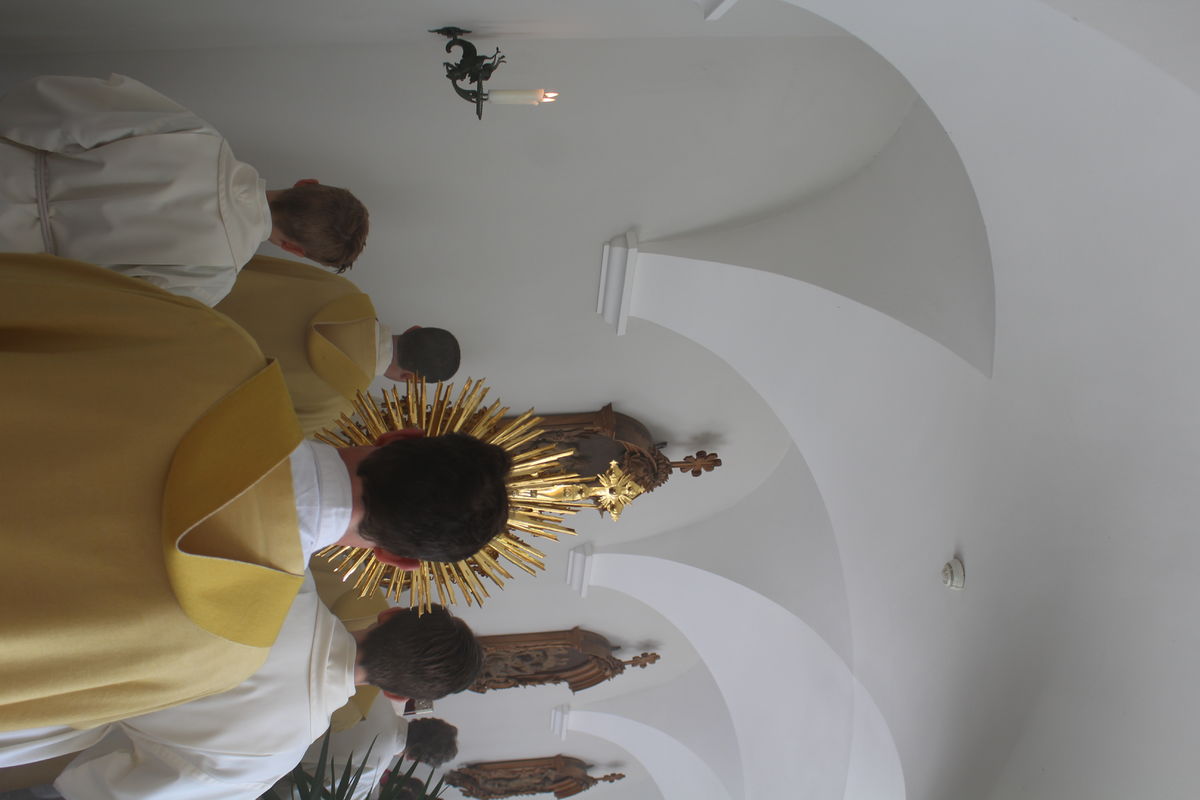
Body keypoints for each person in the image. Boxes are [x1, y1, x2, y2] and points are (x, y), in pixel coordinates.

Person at [0, 253, 508, 733]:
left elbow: (24, 293)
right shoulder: (221, 652)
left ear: (397, 436)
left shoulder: (213, 347)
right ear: (397, 558)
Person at [0, 575, 483, 800]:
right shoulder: (271, 757)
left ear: (390, 614)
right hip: (30, 714)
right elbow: (122, 794)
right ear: (397, 692)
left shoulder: (283, 580)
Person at [0, 73, 369, 305]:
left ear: (306, 183)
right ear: (295, 249)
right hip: (17, 259)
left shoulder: (198, 138)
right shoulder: (211, 280)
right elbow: (100, 307)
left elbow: (72, 108)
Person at [215, 255, 461, 435]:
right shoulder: (333, 409)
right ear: (408, 378)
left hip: (195, 294)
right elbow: (249, 431)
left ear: (413, 329)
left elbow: (252, 264)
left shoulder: (345, 291)